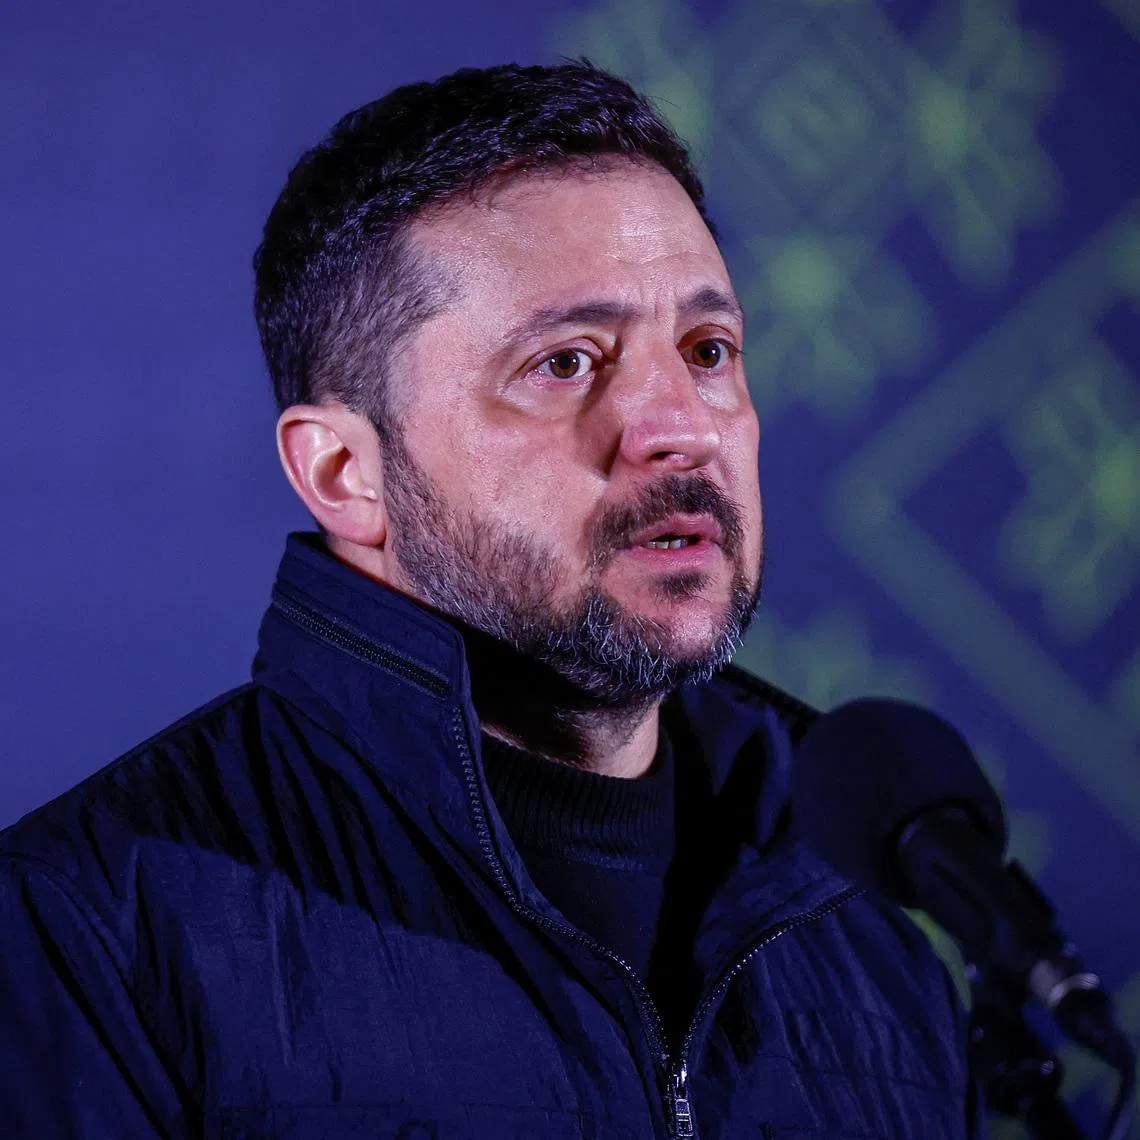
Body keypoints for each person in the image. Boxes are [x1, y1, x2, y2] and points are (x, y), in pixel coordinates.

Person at [0, 61, 982, 1138]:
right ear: (343, 474)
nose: (681, 425)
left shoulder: (881, 969)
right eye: (566, 362)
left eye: (708, 351)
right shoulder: (86, 927)